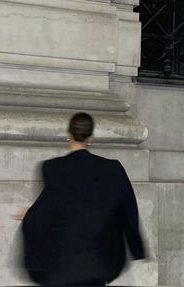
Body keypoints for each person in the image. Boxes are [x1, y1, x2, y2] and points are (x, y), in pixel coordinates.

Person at [15, 112, 147, 286]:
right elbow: (127, 208)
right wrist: (136, 247)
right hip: (97, 263)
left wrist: (29, 215)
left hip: (61, 265)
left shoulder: (52, 168)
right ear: (90, 138)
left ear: (68, 134)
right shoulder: (111, 169)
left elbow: (48, 210)